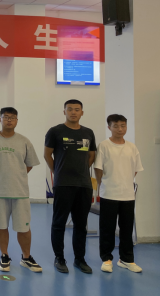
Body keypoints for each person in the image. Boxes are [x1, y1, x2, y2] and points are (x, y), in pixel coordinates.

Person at [0, 107, 42, 273]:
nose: (9, 120)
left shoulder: (24, 141)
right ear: (0, 119)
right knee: (1, 225)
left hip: (20, 192)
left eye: (12, 117)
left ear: (16, 121)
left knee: (24, 227)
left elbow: (29, 164)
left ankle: (26, 257)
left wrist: (16, 176)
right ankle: (4, 255)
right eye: (6, 117)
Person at [45, 99, 96, 274]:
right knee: (59, 223)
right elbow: (47, 155)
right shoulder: (55, 131)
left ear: (82, 112)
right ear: (64, 112)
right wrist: (57, 171)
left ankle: (79, 259)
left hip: (84, 185)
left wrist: (81, 170)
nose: (73, 112)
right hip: (63, 184)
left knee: (81, 225)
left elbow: (91, 156)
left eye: (77, 109)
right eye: (70, 109)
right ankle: (59, 258)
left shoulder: (88, 132)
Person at [94, 114, 143, 273]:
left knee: (127, 228)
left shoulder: (132, 147)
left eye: (123, 126)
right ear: (109, 127)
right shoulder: (104, 145)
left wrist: (124, 182)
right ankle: (106, 259)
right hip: (109, 193)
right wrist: (104, 184)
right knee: (107, 228)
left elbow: (135, 169)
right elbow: (98, 168)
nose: (120, 129)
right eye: (116, 126)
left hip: (128, 194)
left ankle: (126, 259)